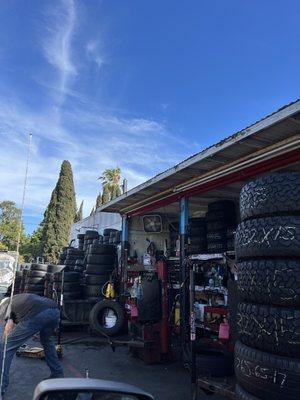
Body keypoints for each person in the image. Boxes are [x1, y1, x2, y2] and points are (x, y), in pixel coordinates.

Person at [0, 293, 64, 396]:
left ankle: (1, 387)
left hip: (37, 314)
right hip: (54, 311)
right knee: (47, 341)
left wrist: (5, 340)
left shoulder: (7, 305)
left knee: (5, 348)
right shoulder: (19, 298)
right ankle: (57, 373)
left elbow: (8, 327)